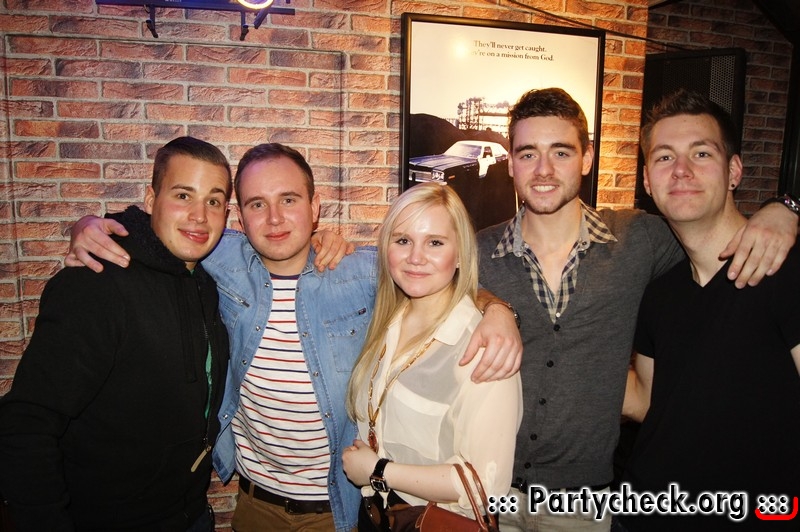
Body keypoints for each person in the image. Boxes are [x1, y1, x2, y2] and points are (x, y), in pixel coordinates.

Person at [65, 143, 522, 532]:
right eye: (256, 204)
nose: (275, 218)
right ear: (238, 216)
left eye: (289, 199)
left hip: (338, 510)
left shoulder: (362, 273)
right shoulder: (219, 256)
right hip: (254, 505)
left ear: (315, 207)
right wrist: (92, 226)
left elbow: (435, 274)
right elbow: (162, 228)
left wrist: (497, 309)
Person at [475, 87, 799, 531]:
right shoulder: (479, 252)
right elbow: (420, 283)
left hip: (589, 504)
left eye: (561, 152)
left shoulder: (639, 242)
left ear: (587, 159)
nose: (544, 169)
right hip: (491, 493)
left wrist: (785, 208)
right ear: (510, 163)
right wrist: (492, 304)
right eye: (528, 154)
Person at [0, 136, 232, 531]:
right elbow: (26, 424)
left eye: (213, 201)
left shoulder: (209, 281)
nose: (199, 216)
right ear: (150, 199)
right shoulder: (96, 283)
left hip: (190, 516)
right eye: (183, 195)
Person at [618, 89, 800, 531]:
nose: (681, 170)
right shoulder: (660, 293)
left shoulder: (784, 271)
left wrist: (789, 207)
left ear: (734, 171)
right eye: (664, 157)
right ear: (647, 181)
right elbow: (647, 401)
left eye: (701, 153)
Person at [342, 183, 522, 530]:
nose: (416, 257)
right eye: (403, 240)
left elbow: (486, 486)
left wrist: (378, 471)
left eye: (435, 242)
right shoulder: (385, 321)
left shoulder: (481, 347)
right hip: (376, 516)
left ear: (460, 254)